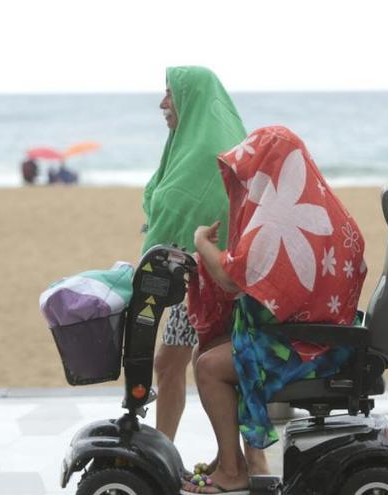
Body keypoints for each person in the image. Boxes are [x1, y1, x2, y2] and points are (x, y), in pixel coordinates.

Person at [182, 126, 367, 494]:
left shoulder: (281, 216)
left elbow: (234, 278)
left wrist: (202, 244)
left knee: (208, 367)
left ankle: (234, 473)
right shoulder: (324, 208)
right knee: (211, 346)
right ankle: (234, 458)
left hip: (311, 346)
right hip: (326, 333)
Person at [141, 66, 247, 450]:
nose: (163, 103)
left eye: (170, 94)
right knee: (174, 366)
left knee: (202, 366)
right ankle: (166, 452)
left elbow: (186, 207)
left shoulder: (206, 150)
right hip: (199, 277)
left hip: (216, 283)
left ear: (191, 98)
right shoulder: (199, 140)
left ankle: (241, 464)